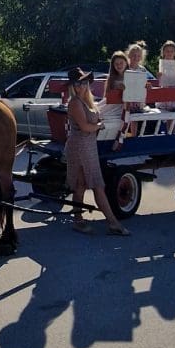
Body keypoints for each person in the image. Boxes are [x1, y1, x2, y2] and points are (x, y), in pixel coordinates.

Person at [65, 67, 130, 236]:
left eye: (84, 82)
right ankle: (113, 223)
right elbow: (86, 127)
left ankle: (77, 220)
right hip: (80, 147)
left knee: (81, 185)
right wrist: (100, 125)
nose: (82, 86)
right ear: (73, 86)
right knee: (97, 185)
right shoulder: (75, 103)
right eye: (78, 83)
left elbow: (90, 122)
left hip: (87, 146)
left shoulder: (86, 101)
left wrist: (97, 122)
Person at [98, 50, 128, 146]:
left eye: (121, 63)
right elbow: (107, 96)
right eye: (116, 64)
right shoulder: (112, 78)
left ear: (126, 63)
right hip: (111, 104)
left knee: (101, 114)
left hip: (123, 106)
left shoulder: (130, 76)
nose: (119, 66)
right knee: (96, 111)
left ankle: (111, 139)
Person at [156, 40, 175, 115]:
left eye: (172, 51)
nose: (169, 53)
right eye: (167, 51)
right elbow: (159, 81)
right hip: (165, 89)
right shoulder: (162, 64)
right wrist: (159, 76)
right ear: (163, 52)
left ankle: (173, 124)